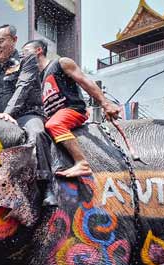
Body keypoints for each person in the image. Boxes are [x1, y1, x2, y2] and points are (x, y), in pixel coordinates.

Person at [22, 38, 123, 178]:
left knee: (54, 124)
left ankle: (82, 163)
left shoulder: (61, 63)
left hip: (73, 110)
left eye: (25, 52)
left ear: (38, 50)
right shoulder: (36, 78)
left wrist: (105, 104)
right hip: (53, 115)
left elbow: (85, 81)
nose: (22, 56)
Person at [0, 24, 52, 199]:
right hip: (0, 121)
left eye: (0, 42)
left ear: (14, 40)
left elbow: (22, 87)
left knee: (38, 133)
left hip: (27, 115)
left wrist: (9, 112)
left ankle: (46, 186)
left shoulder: (27, 59)